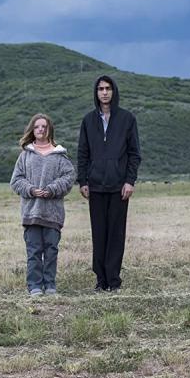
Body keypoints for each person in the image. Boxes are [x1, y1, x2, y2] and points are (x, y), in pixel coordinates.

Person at [77, 75, 141, 293]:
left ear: (114, 91)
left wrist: (129, 181)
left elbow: (134, 154)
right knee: (99, 233)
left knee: (116, 233)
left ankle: (113, 280)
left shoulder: (127, 119)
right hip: (95, 187)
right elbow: (82, 153)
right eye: (100, 89)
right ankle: (100, 280)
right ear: (96, 93)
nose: (104, 92)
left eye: (108, 88)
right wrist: (83, 180)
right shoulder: (88, 121)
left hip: (118, 187)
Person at [10, 113, 75, 297]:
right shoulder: (25, 155)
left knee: (51, 251)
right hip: (31, 213)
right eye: (37, 126)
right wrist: (30, 190)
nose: (41, 129)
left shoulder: (60, 155)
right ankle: (35, 286)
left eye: (44, 126)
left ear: (49, 130)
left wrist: (52, 189)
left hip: (53, 213)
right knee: (34, 252)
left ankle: (50, 285)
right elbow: (16, 181)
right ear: (32, 129)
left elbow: (69, 177)